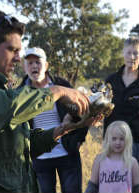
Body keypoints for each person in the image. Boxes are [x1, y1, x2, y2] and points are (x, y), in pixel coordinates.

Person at [0, 9, 95, 193]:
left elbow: (18, 143)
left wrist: (62, 130)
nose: (18, 58)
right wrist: (55, 92)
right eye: (12, 50)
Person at [18, 47, 87, 193]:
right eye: (30, 63)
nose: (34, 66)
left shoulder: (62, 86)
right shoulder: (20, 93)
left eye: (38, 62)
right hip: (39, 158)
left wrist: (79, 139)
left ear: (47, 65)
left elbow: (83, 110)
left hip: (67, 153)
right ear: (25, 67)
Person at [103, 36, 139, 189]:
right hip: (113, 140)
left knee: (137, 182)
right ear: (123, 53)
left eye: (136, 53)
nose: (132, 57)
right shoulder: (111, 81)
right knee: (113, 180)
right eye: (129, 53)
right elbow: (102, 108)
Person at [85, 121, 139, 193]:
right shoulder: (99, 160)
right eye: (114, 139)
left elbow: (138, 189)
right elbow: (92, 186)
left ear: (127, 140)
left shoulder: (132, 162)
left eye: (122, 139)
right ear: (108, 139)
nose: (118, 142)